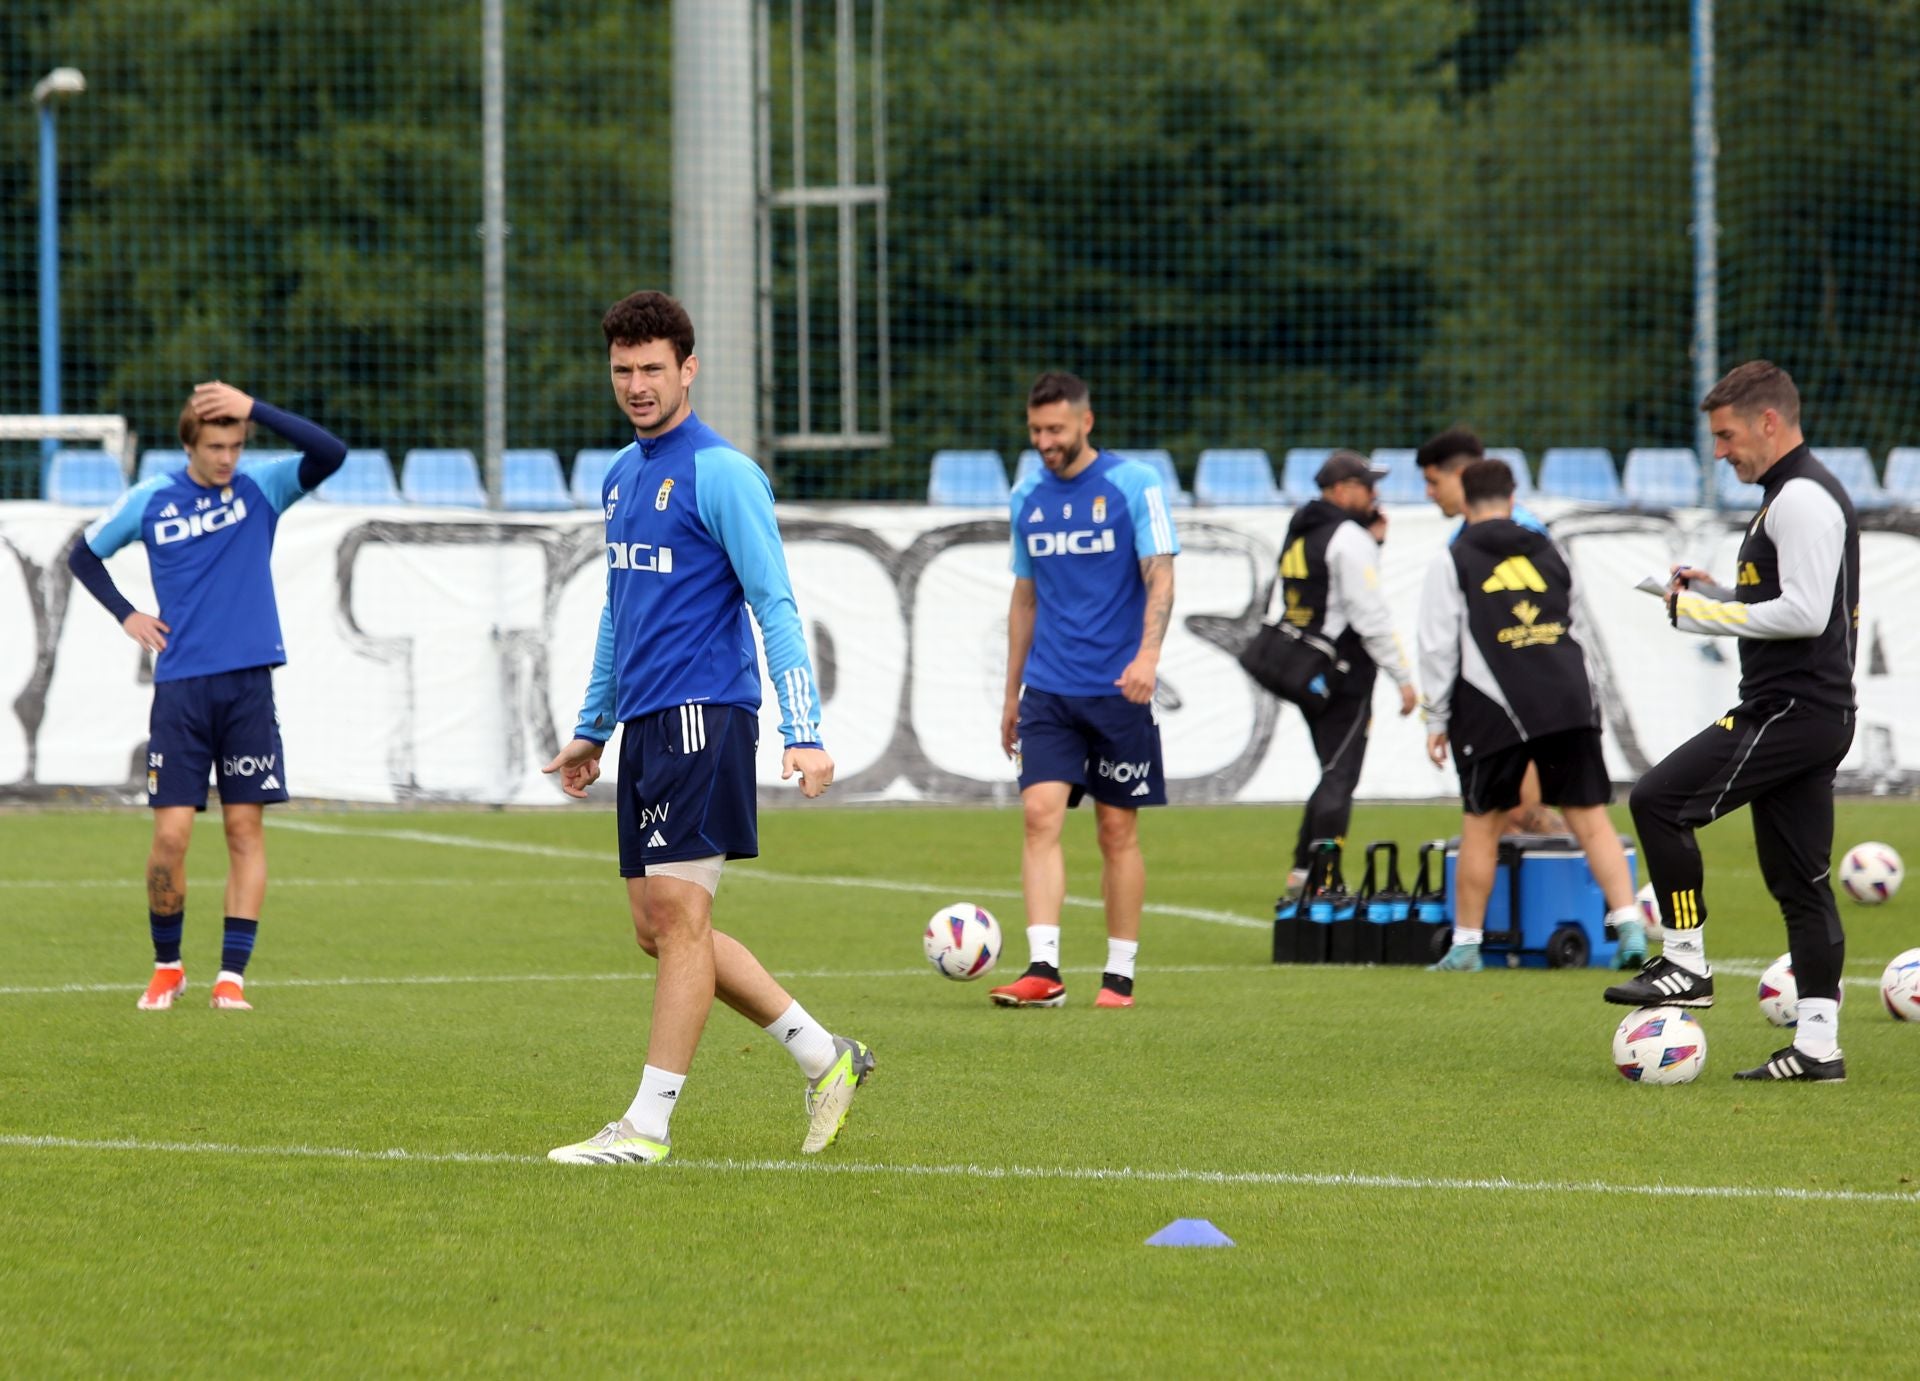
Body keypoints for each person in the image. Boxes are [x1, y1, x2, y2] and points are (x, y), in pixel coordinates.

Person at [543, 290, 872, 1165]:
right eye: (623, 370)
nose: (638, 385)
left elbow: (775, 603)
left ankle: (646, 1128)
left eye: (654, 368)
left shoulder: (722, 473)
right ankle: (823, 1053)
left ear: (688, 368)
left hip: (704, 713)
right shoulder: (620, 476)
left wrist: (803, 730)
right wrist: (592, 726)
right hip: (647, 724)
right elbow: (621, 611)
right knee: (656, 927)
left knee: (682, 918)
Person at [1609, 361, 1859, 1082]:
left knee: (1657, 800)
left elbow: (1807, 613)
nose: (1720, 452)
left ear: (1768, 422)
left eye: (1726, 436)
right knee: (1801, 882)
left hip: (1789, 707)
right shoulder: (1790, 496)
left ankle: (1685, 962)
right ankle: (1817, 1047)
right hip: (1812, 709)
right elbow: (1787, 599)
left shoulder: (1801, 498)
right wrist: (1713, 587)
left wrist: (1698, 613)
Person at [65, 383, 348, 1012]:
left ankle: (231, 978)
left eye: (238, 445)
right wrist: (127, 614)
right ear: (189, 444)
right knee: (170, 838)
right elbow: (82, 555)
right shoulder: (153, 499)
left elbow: (331, 452)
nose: (228, 458)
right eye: (217, 446)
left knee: (245, 829)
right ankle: (168, 966)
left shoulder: (260, 489)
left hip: (248, 685)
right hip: (182, 691)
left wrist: (254, 408)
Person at [991, 371, 1178, 1009]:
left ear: (1085, 423)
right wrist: (1012, 693)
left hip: (1118, 691)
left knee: (1114, 831)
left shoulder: (1134, 485)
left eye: (1055, 430)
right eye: (1036, 430)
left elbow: (1161, 576)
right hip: (1049, 691)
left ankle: (1119, 974)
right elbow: (1025, 598)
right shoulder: (1026, 496)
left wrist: (1149, 654)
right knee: (1039, 815)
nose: (1045, 442)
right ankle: (1044, 969)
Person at [1416, 459, 1647, 973]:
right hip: (1568, 698)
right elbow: (1579, 624)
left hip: (1492, 705)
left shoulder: (1452, 559)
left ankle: (1467, 946)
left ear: (1464, 498)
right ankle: (1629, 925)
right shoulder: (1551, 549)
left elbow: (1436, 648)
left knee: (1481, 823)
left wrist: (1436, 719)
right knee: (1590, 817)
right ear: (1512, 494)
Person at [1267, 450, 1418, 894]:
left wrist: (1375, 545)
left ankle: (1303, 871)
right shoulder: (1347, 537)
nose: (1375, 494)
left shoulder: (1303, 530)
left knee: (1331, 768)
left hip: (1305, 664)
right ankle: (1323, 880)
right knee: (1340, 774)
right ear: (1342, 490)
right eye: (1367, 485)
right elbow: (1367, 611)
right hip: (1343, 671)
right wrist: (1403, 677)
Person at [1417, 426, 1566, 838]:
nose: (1430, 493)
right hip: (1497, 700)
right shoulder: (1466, 536)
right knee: (1508, 823)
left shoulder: (1519, 532)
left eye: (1434, 482)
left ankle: (1589, 895)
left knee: (1520, 818)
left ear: (1463, 475)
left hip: (1516, 703)